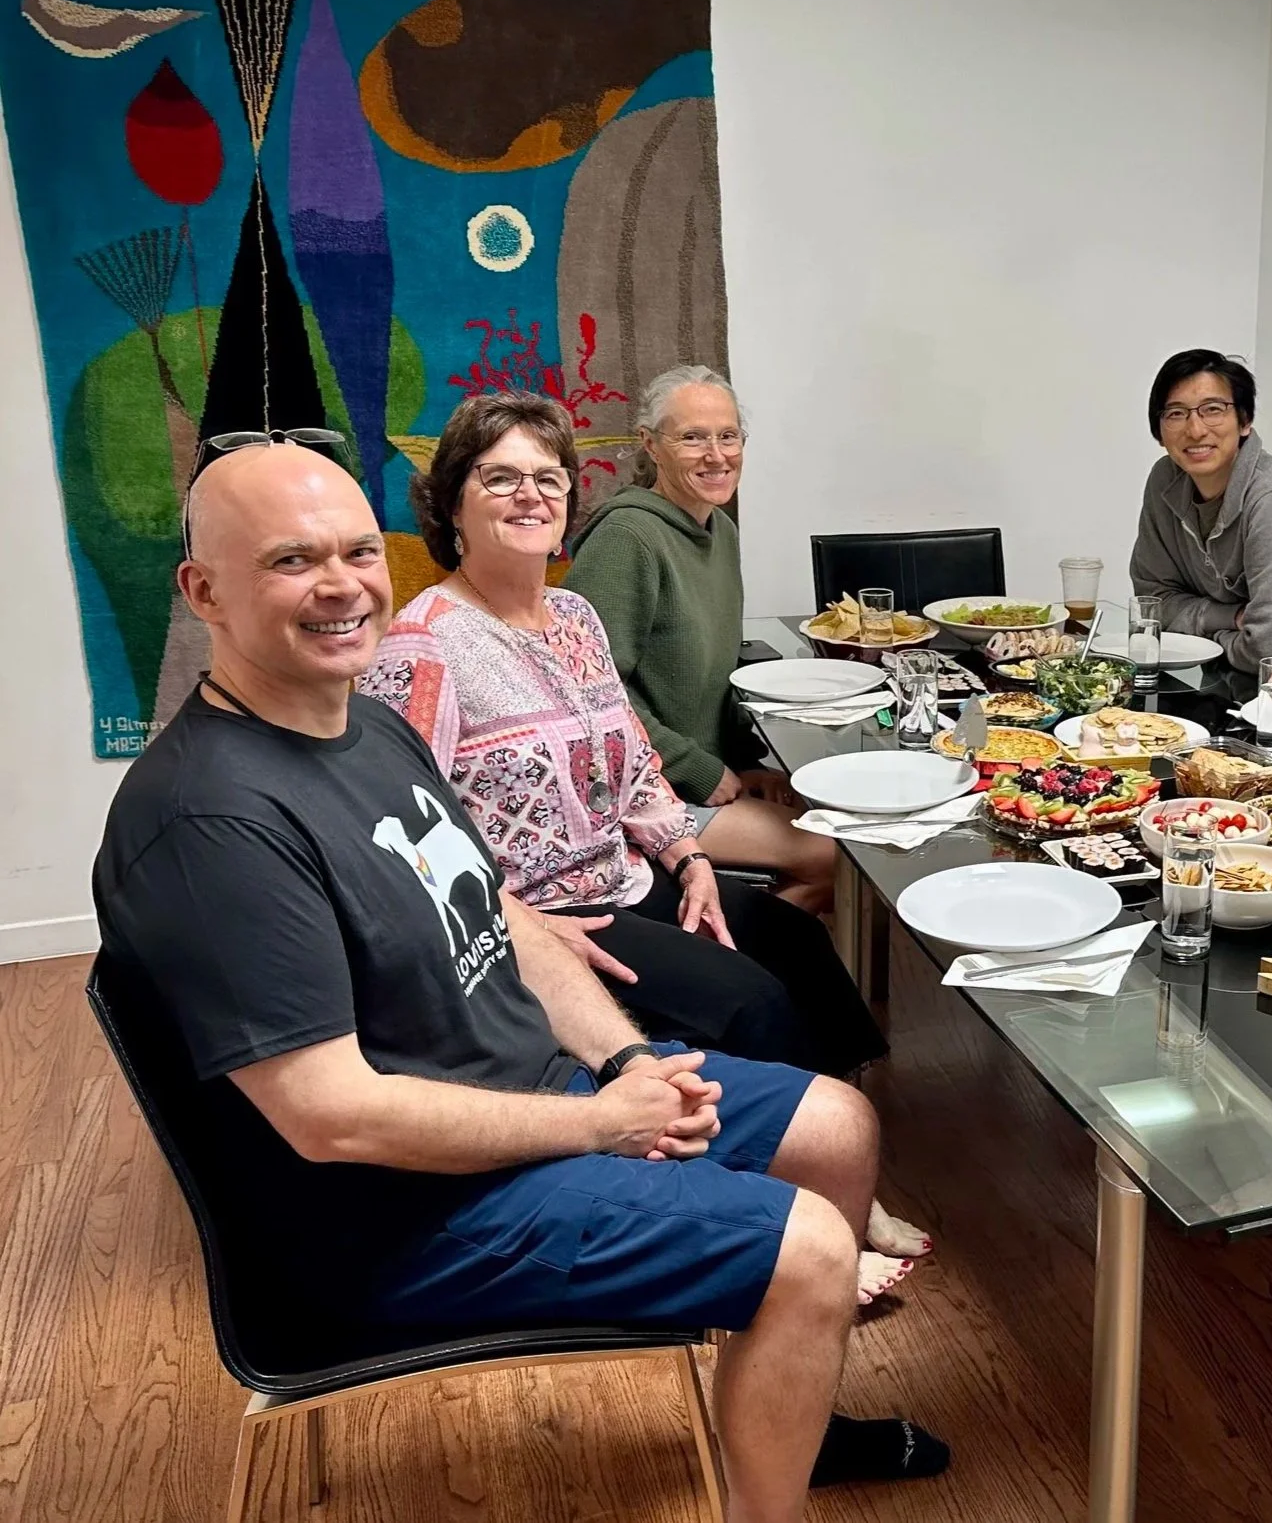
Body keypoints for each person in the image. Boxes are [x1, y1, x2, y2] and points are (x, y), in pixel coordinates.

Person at [92, 442, 946, 1516]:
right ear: (203, 590)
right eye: (291, 559)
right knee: (812, 1241)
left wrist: (627, 1060)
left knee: (836, 1124)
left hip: (529, 1096)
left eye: (359, 550)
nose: (343, 583)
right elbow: (330, 1117)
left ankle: (791, 1411)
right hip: (396, 1216)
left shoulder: (366, 725)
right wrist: (604, 1125)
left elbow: (502, 912)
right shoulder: (211, 821)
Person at [356, 394, 923, 1296]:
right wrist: (516, 928)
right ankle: (798, 1227)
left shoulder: (575, 618)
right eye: (499, 478)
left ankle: (844, 1174)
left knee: (798, 943)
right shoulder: (425, 650)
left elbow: (632, 765)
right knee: (745, 1002)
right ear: (451, 504)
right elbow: (401, 832)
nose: (529, 496)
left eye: (548, 478)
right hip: (549, 920)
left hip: (621, 876)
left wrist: (689, 857)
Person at [563, 366, 835, 913]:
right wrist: (697, 769)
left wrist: (746, 762)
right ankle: (730, 969)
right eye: (692, 437)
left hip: (697, 770)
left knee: (835, 812)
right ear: (650, 445)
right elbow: (586, 696)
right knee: (834, 855)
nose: (717, 455)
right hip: (641, 794)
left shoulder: (719, 529)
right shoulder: (626, 538)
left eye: (728, 435)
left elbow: (711, 677)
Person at [1129, 348, 1272, 672]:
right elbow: (1153, 603)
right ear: (1159, 432)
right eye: (1176, 413)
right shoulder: (1165, 480)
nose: (1195, 430)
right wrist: (1230, 618)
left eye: (1213, 410)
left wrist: (1205, 638)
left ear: (1245, 421)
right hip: (1214, 685)